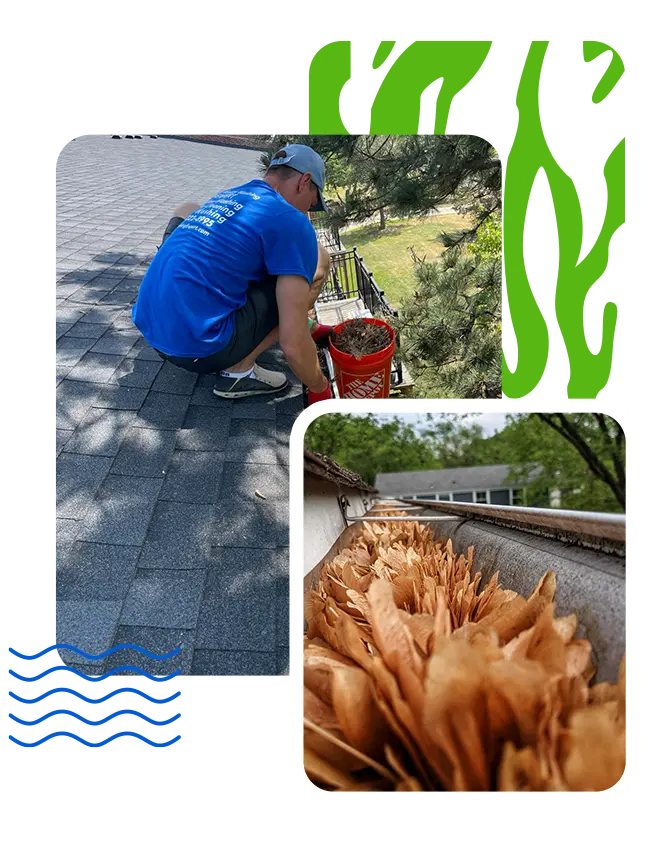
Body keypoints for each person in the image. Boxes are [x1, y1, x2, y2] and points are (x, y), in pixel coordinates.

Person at [132, 144, 334, 403]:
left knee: (189, 208)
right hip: (200, 350)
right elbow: (293, 344)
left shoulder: (232, 194)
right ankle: (239, 371)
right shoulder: (292, 221)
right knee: (318, 260)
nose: (308, 212)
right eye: (312, 202)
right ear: (305, 181)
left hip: (153, 332)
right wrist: (320, 387)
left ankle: (300, 322)